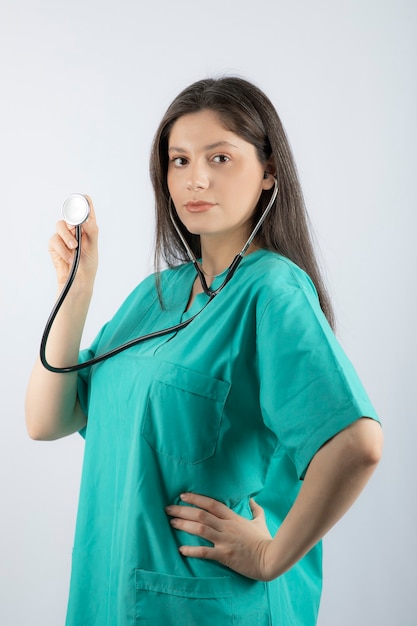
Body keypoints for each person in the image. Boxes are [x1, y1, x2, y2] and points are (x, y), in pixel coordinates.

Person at [25, 77, 383, 626]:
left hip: (203, 605)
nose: (196, 178)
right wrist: (76, 290)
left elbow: (356, 443)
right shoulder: (157, 295)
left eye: (220, 157)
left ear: (268, 172)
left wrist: (270, 554)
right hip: (109, 593)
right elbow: (49, 419)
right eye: (179, 160)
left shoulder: (271, 291)